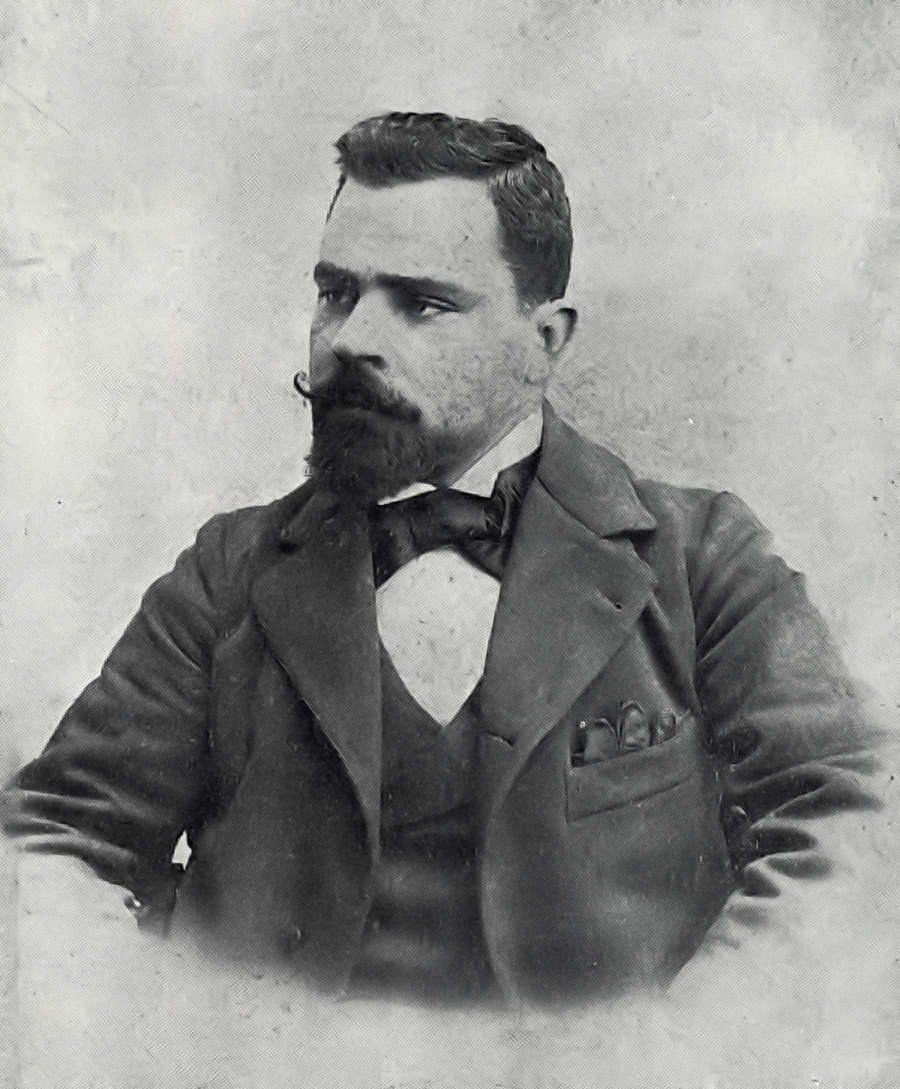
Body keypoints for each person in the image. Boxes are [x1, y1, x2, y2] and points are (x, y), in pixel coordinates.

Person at [1, 112, 883, 1007]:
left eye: (421, 303)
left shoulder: (704, 561)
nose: (349, 340)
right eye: (336, 292)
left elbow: (849, 831)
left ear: (546, 341)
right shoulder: (226, 573)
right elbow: (57, 845)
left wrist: (668, 1048)